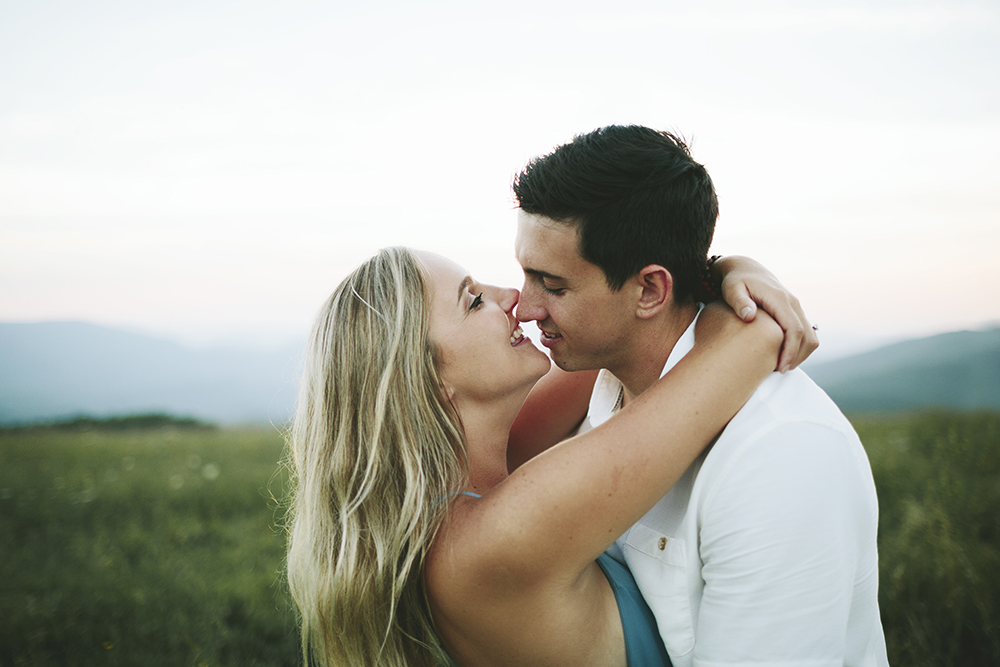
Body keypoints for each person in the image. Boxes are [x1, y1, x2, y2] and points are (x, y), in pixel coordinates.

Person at [284, 245, 811, 667]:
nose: (510, 295)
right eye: (473, 301)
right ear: (429, 382)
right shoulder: (490, 540)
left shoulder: (475, 475)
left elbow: (630, 326)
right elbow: (751, 337)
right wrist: (741, 282)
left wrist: (726, 265)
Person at [509, 125, 889, 666]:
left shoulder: (781, 454)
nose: (525, 308)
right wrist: (727, 267)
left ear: (649, 290)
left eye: (552, 284)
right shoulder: (596, 383)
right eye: (525, 274)